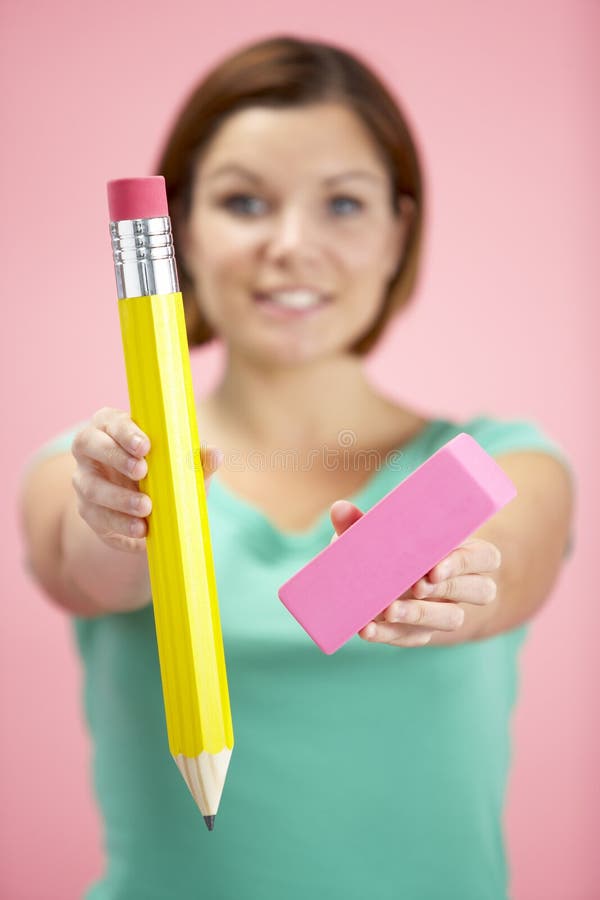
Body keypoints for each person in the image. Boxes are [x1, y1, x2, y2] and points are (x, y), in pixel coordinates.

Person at [18, 35, 574, 900]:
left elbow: (515, 554)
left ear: (401, 230)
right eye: (244, 202)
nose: (290, 245)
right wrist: (123, 522)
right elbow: (88, 566)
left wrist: (449, 588)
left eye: (343, 205)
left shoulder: (512, 460)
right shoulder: (87, 465)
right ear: (182, 234)